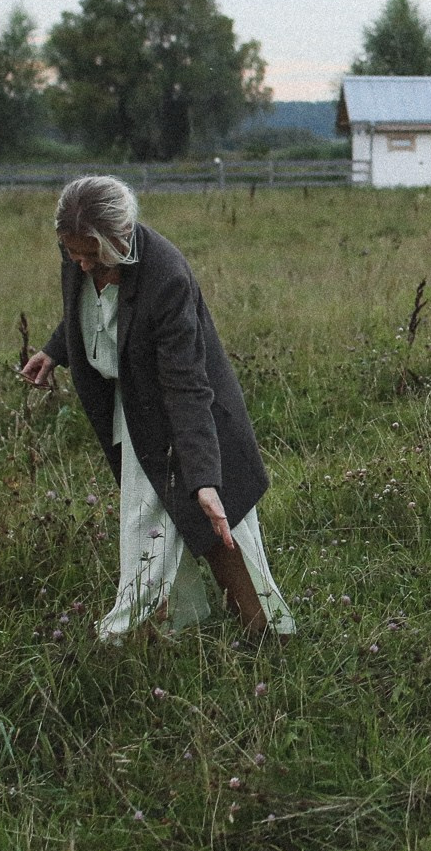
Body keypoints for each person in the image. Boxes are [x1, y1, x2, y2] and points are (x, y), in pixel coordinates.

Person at [19, 176, 297, 642]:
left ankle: (260, 635)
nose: (82, 264)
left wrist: (204, 478)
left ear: (121, 237)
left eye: (93, 255)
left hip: (190, 416)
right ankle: (165, 630)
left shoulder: (166, 277)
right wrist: (55, 350)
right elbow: (86, 309)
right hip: (136, 414)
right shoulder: (78, 249)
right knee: (150, 528)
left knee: (217, 523)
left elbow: (187, 387)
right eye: (74, 254)